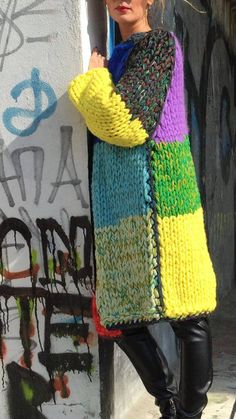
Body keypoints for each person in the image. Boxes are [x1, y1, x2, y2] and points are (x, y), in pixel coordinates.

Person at [68, 0, 217, 418]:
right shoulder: (119, 57)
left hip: (165, 206)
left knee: (189, 315)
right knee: (119, 318)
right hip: (124, 213)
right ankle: (168, 404)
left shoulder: (157, 46)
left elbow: (126, 121)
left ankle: (189, 413)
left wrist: (92, 82)